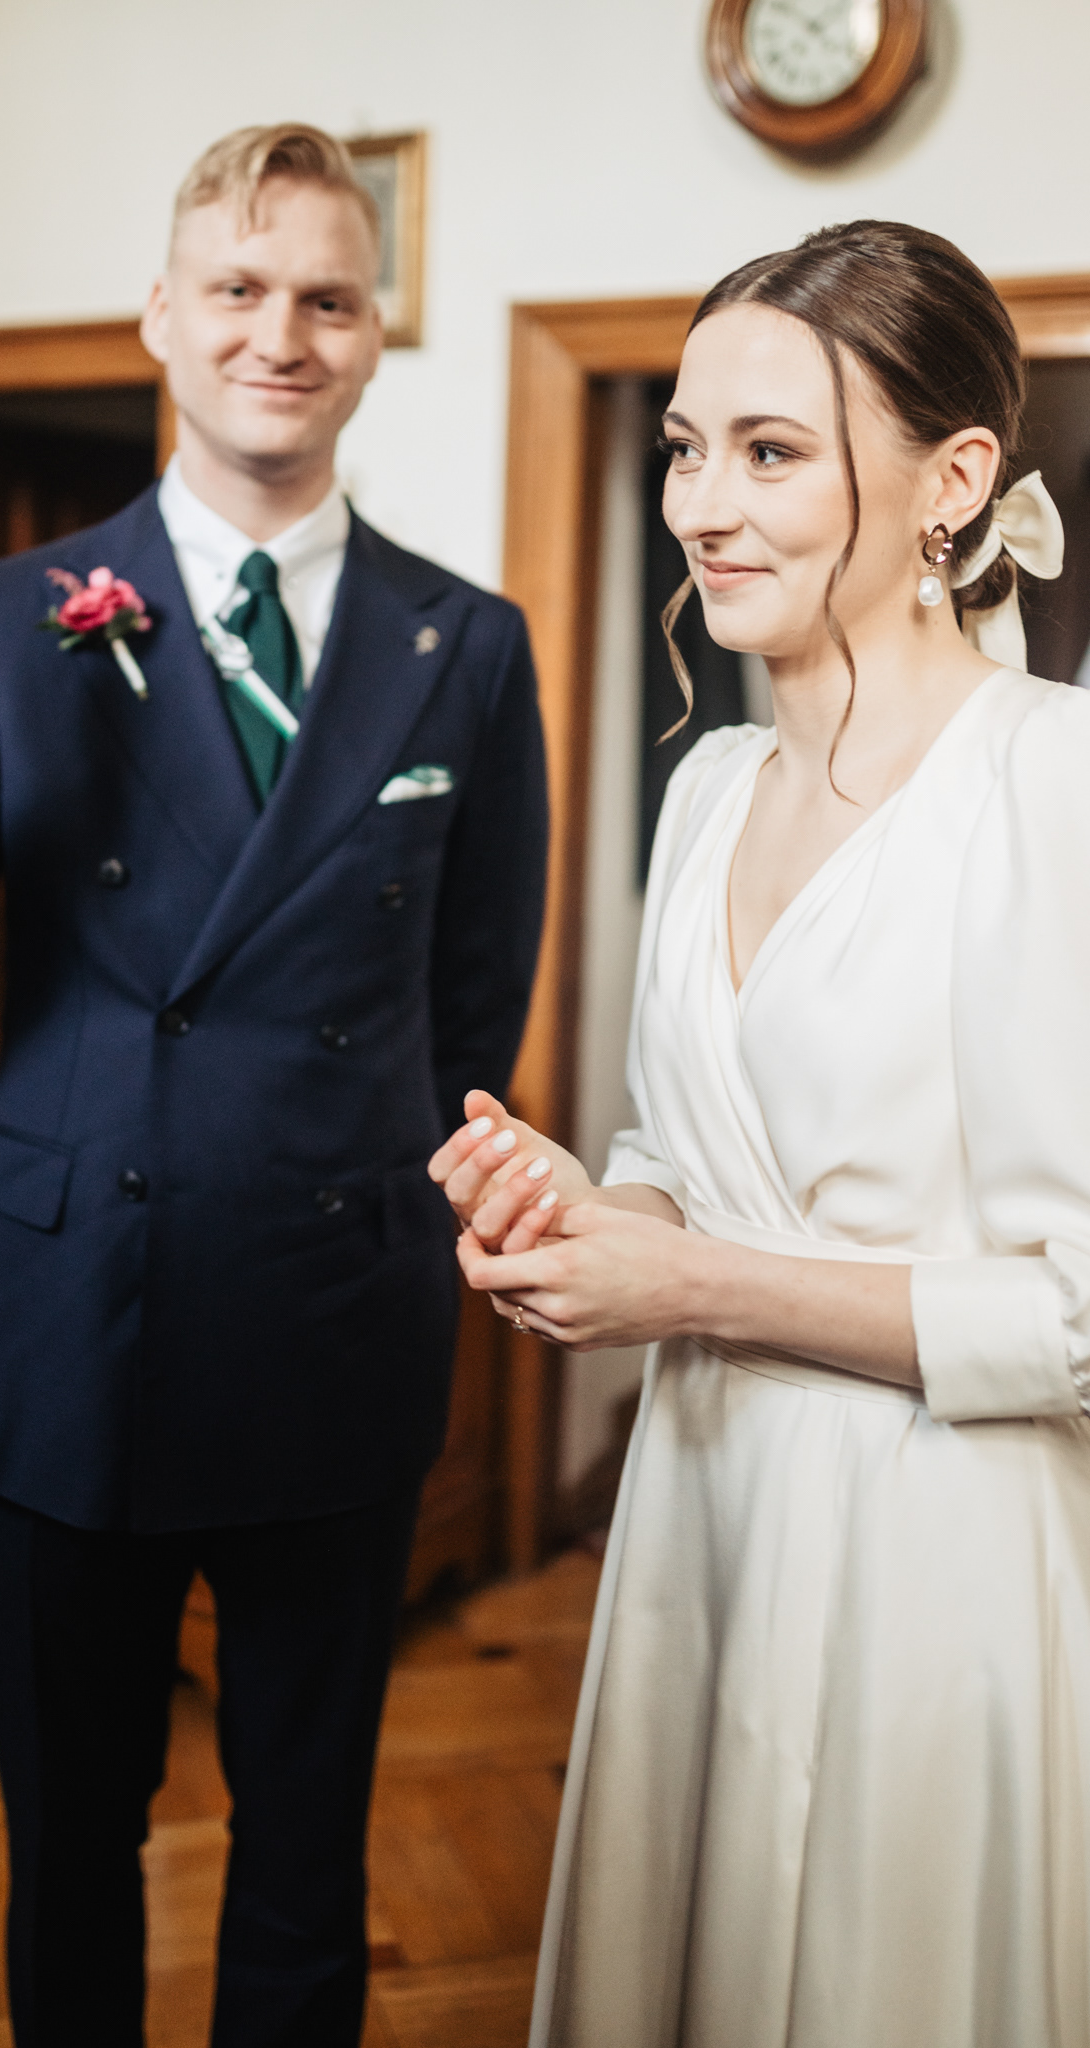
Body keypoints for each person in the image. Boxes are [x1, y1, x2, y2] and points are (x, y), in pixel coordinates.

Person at [0, 123, 548, 2048]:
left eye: (329, 299)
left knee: (307, 1854)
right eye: (240, 288)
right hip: (70, 1331)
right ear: (160, 316)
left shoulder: (468, 644)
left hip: (331, 1323)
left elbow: (468, 1019)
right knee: (70, 1852)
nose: (281, 333)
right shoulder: (8, 618)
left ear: (377, 334)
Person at [432, 220, 1090, 2048]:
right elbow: (681, 1147)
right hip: (698, 1514)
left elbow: (1078, 1317)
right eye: (685, 450)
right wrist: (589, 1206)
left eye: (773, 451)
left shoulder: (1053, 785)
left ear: (953, 480)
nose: (704, 508)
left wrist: (691, 1285)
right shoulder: (713, 785)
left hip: (935, 1552)